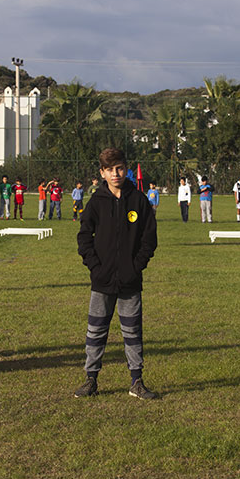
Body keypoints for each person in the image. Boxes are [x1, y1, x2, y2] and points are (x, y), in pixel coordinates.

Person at [75, 147, 158, 400]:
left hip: (130, 281)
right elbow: (83, 238)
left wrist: (135, 268)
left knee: (132, 331)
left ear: (126, 168)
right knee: (96, 331)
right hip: (101, 281)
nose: (116, 173)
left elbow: (149, 240)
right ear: (102, 172)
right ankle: (91, 379)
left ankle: (136, 381)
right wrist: (96, 267)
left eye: (119, 168)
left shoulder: (139, 200)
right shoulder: (96, 201)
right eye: (110, 169)